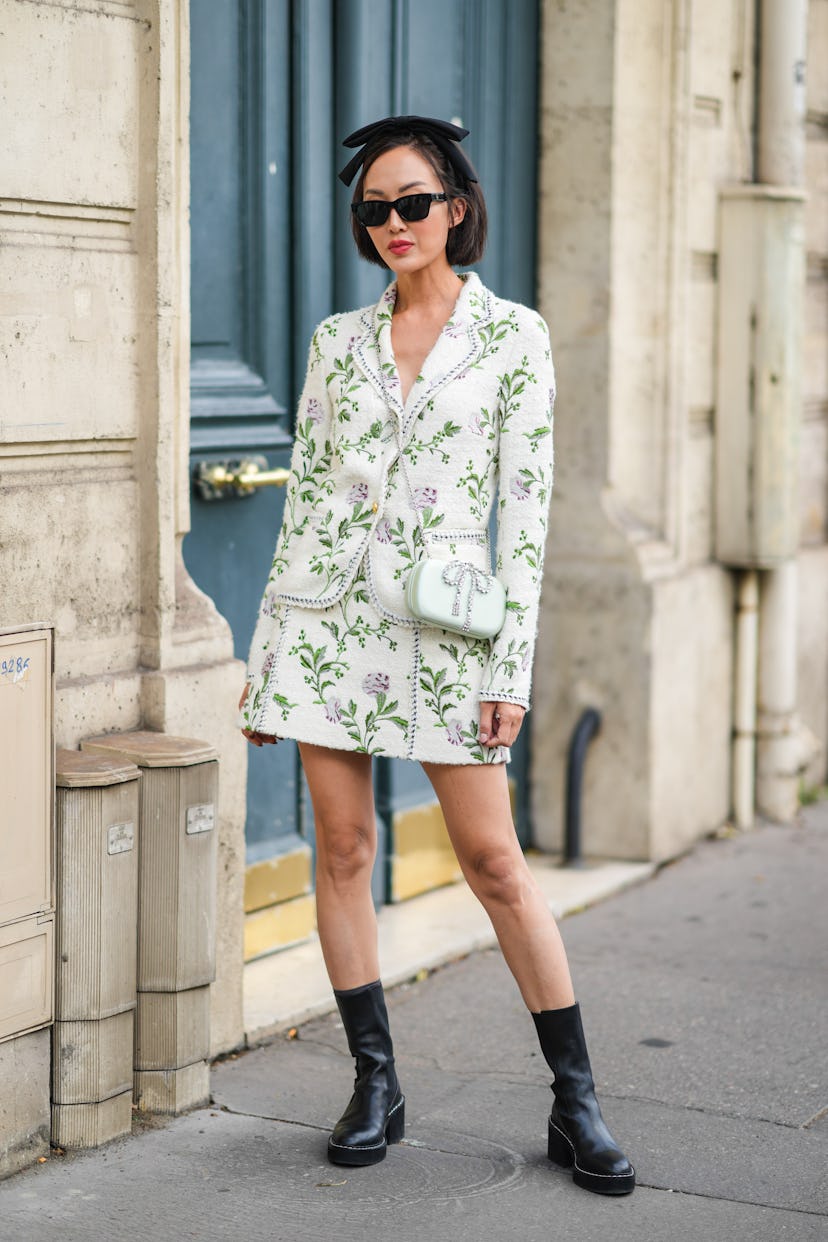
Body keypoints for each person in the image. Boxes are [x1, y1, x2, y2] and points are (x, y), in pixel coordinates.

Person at [238, 115, 635, 1196]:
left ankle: (576, 1099)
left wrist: (510, 670)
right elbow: (310, 504)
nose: (395, 224)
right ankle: (375, 1083)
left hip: (453, 632)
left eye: (413, 202)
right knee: (344, 852)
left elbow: (527, 512)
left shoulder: (514, 339)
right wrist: (272, 654)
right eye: (375, 209)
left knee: (496, 866)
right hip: (329, 632)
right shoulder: (336, 343)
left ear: (456, 204)